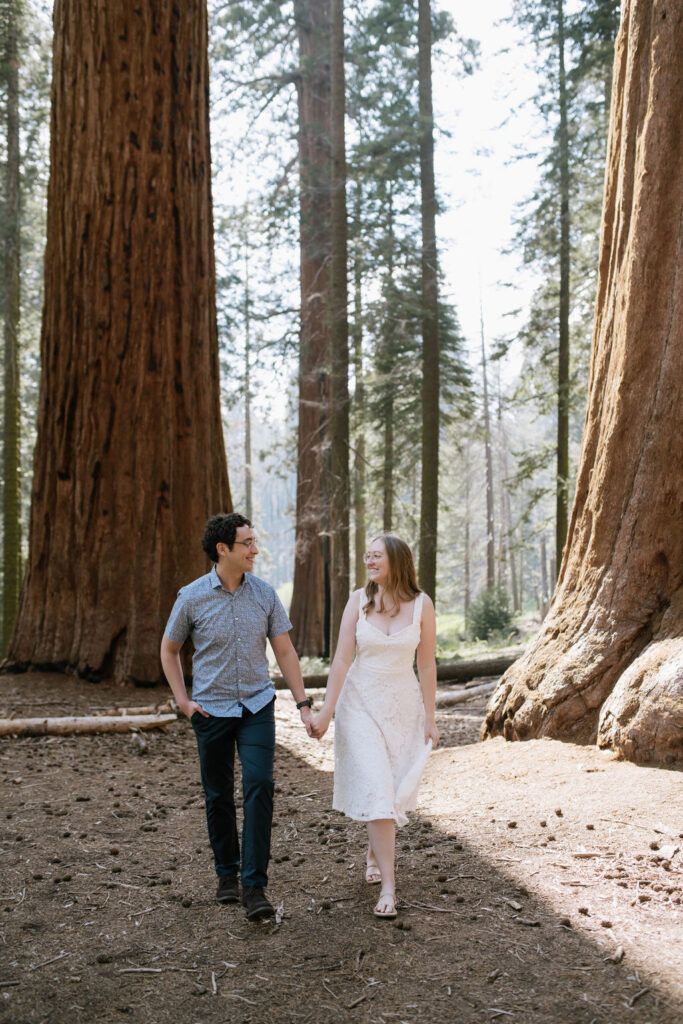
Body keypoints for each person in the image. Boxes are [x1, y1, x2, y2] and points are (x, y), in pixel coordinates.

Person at [160, 512, 314, 921]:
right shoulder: (191, 597)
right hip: (210, 710)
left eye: (254, 542)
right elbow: (169, 650)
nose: (255, 550)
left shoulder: (265, 594)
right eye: (247, 543)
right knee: (218, 795)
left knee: (260, 783)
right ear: (223, 549)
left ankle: (254, 886)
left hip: (257, 707)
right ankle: (226, 874)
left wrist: (302, 705)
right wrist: (183, 701)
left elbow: (284, 652)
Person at [310, 533, 439, 919]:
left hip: (402, 707)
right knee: (379, 789)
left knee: (389, 789)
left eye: (376, 556)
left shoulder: (421, 605)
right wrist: (325, 713)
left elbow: (428, 664)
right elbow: (341, 661)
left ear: (397, 561)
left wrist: (430, 717)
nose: (369, 560)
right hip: (359, 706)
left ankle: (373, 851)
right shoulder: (358, 600)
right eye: (367, 555)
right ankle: (388, 886)